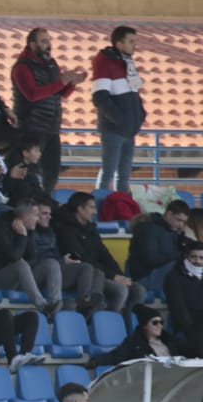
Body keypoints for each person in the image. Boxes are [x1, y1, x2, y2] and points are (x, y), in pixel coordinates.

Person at [11, 28, 82, 193]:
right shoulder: (22, 67)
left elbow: (59, 94)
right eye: (44, 41)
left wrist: (71, 83)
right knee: (30, 170)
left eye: (49, 41)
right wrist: (61, 82)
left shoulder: (51, 64)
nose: (48, 45)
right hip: (32, 126)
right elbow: (32, 94)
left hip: (52, 126)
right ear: (32, 44)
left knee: (52, 171)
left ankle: (46, 203)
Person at [52, 192, 140, 315]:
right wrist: (114, 277)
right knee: (120, 290)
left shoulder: (91, 229)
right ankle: (105, 323)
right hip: (85, 276)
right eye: (92, 207)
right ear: (80, 209)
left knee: (138, 290)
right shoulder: (66, 230)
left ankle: (126, 324)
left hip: (101, 273)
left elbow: (105, 255)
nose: (95, 212)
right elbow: (82, 258)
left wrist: (120, 275)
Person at [0, 200, 61, 313]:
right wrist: (22, 236)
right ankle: (42, 306)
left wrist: (25, 235)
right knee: (20, 265)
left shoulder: (28, 228)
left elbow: (33, 257)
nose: (37, 218)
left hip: (18, 278)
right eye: (35, 215)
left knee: (51, 263)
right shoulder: (1, 227)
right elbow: (14, 257)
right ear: (25, 216)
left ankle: (55, 304)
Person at [90, 26, 146, 195]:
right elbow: (100, 97)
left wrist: (140, 114)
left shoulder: (127, 62)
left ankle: (122, 209)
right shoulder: (104, 63)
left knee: (124, 175)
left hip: (129, 129)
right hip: (114, 129)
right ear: (119, 43)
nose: (134, 45)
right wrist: (120, 119)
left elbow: (134, 91)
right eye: (131, 41)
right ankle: (100, 207)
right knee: (108, 171)